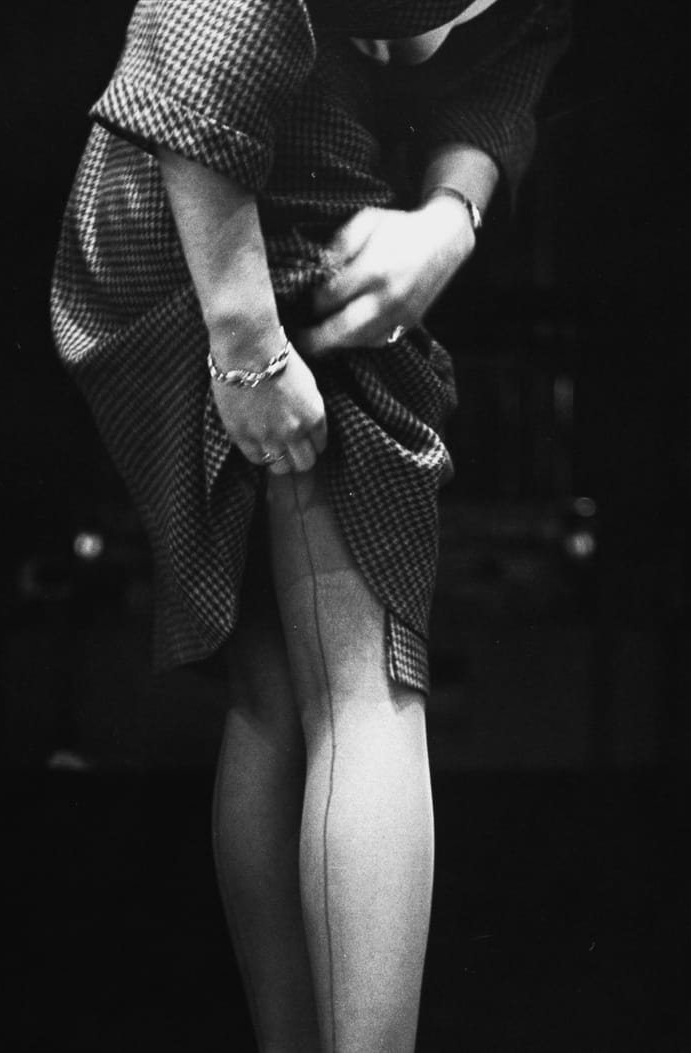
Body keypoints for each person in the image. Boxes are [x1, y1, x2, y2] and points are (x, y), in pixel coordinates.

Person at [51, 1, 570, 1049]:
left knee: (281, 690)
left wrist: (447, 219)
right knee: (361, 682)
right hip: (221, 192)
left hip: (280, 175)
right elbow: (196, 35)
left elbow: (514, 50)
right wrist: (246, 343)